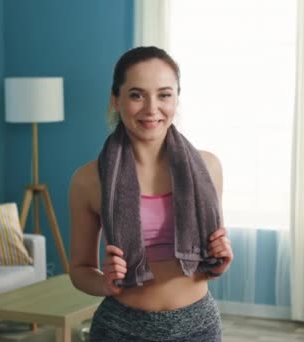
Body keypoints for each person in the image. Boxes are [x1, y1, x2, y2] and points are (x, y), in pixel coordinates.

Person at [69, 46, 233, 341]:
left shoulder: (209, 168)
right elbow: (80, 270)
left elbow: (209, 258)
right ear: (115, 100)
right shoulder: (88, 180)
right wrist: (105, 284)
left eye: (164, 94)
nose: (151, 108)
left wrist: (219, 261)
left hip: (198, 327)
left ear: (176, 99)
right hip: (119, 329)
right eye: (136, 94)